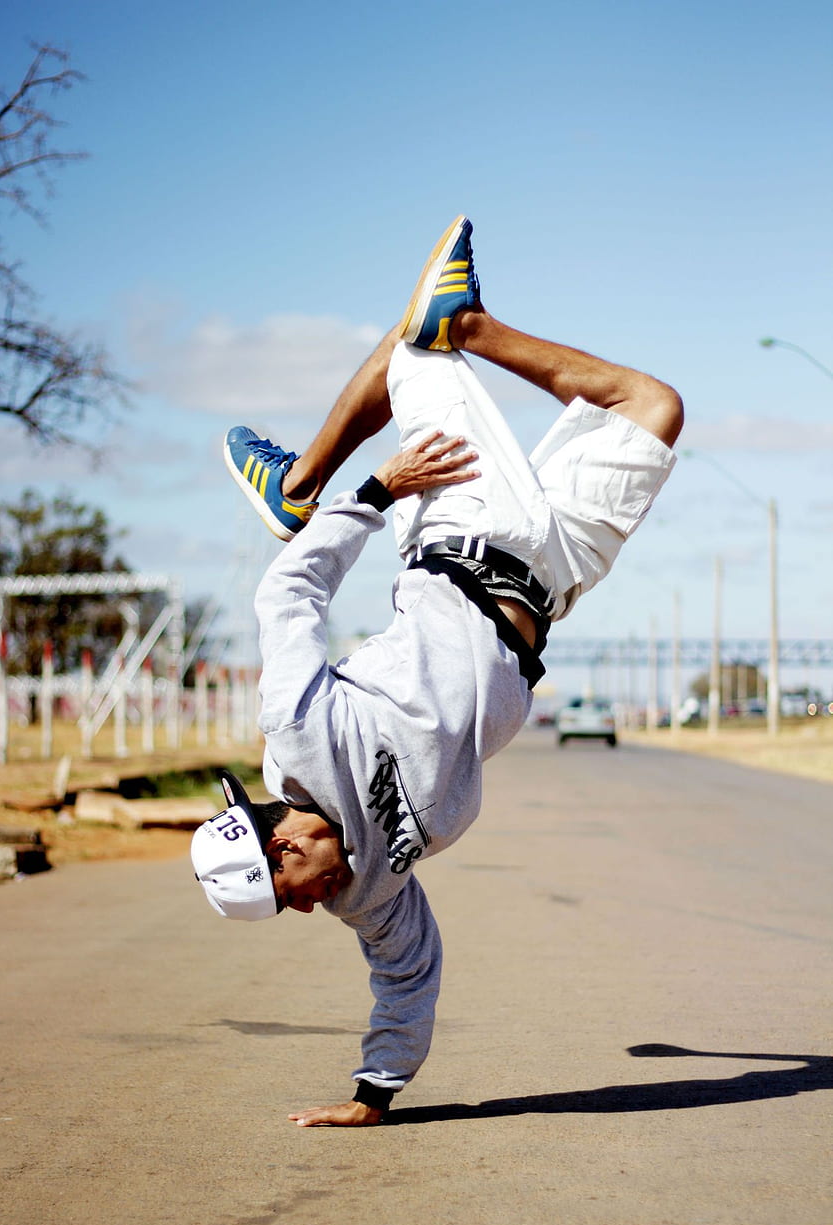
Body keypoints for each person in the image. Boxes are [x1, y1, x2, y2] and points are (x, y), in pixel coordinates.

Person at [190, 216, 683, 1127]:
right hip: (551, 581)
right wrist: (373, 1095)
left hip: (464, 528)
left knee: (415, 342)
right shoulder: (368, 893)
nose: (306, 913)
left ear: (284, 849)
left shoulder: (298, 733)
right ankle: (471, 329)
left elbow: (286, 597)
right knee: (655, 408)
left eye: (286, 897)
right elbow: (411, 974)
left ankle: (300, 487)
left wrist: (374, 491)